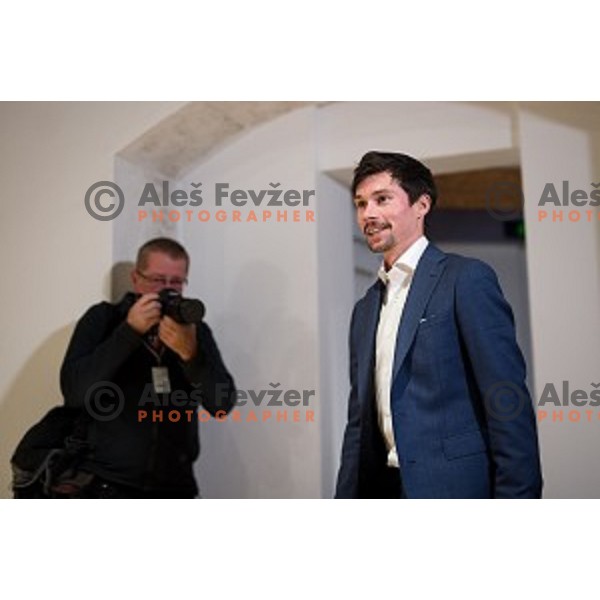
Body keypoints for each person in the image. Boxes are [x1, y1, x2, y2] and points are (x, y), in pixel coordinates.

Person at [335, 151, 542, 499]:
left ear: (422, 205)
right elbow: (358, 425)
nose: (368, 214)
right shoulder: (364, 309)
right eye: (360, 203)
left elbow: (507, 402)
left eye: (382, 199)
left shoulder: (466, 279)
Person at [59, 237, 236, 498]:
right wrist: (128, 332)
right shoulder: (104, 319)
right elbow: (75, 392)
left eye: (176, 282)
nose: (168, 290)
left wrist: (191, 355)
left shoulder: (195, 332)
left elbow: (221, 404)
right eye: (157, 280)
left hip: (176, 486)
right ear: (136, 278)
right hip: (107, 485)